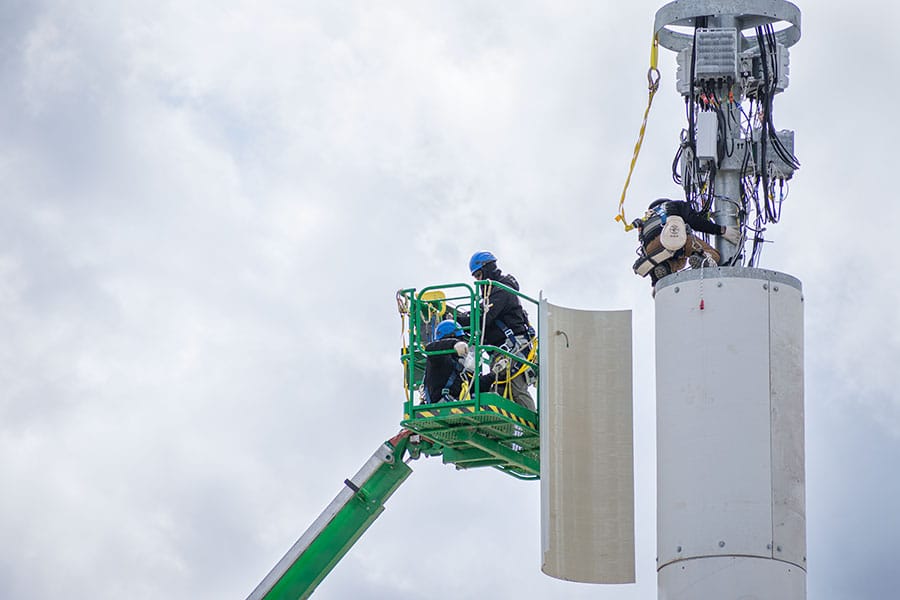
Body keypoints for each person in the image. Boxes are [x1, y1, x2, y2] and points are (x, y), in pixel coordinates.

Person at [457, 251, 536, 411]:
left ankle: (532, 422)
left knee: (516, 389)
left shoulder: (501, 291)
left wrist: (457, 319)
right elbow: (480, 316)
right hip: (501, 351)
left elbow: (483, 318)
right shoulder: (492, 294)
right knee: (498, 390)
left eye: (479, 275)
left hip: (513, 349)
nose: (478, 280)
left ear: (487, 269)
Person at [632, 198, 741, 284]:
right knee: (713, 254)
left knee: (680, 261)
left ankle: (666, 267)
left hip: (652, 249)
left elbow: (644, 250)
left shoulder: (644, 221)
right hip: (673, 237)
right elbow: (694, 221)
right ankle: (702, 258)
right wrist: (721, 230)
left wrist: (656, 283)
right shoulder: (673, 205)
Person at [422, 319, 469, 404]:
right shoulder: (438, 359)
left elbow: (473, 384)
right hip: (440, 404)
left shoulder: (458, 366)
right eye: (460, 339)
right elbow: (430, 348)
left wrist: (493, 375)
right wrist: (454, 344)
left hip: (453, 404)